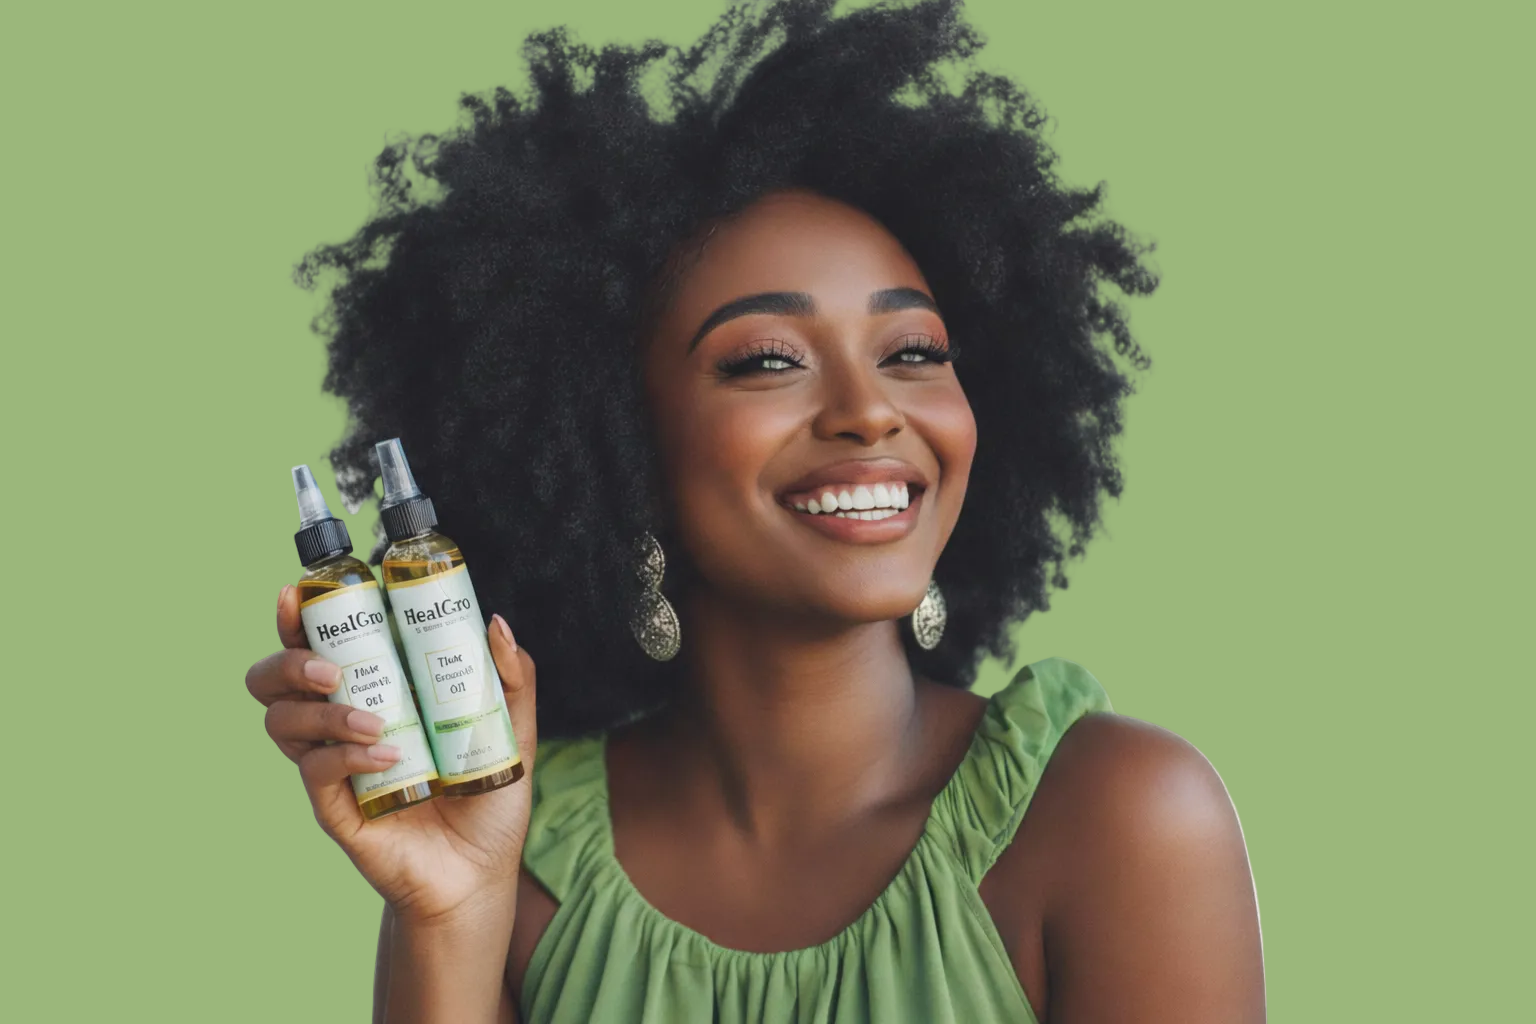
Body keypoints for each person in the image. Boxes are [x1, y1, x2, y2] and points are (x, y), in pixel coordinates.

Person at [244, 1, 1264, 1020]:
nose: (871, 411)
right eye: (768, 360)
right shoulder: (512, 853)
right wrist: (450, 912)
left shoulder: (1116, 818)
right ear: (618, 445)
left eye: (914, 353)